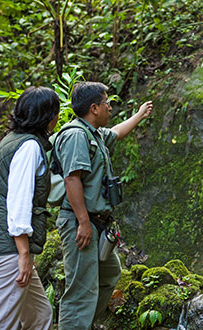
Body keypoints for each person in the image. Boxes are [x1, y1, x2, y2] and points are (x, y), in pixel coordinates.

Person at [54, 81, 152, 329]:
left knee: (109, 275)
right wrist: (84, 223)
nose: (110, 107)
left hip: (98, 224)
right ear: (94, 108)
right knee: (80, 292)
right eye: (107, 103)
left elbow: (117, 132)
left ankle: (83, 325)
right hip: (81, 223)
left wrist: (139, 115)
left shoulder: (94, 133)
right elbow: (71, 178)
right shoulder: (76, 135)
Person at [0, 86, 60, 330]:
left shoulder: (10, 141)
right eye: (56, 112)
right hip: (10, 249)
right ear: (47, 117)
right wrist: (23, 253)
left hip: (7, 246)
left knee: (39, 315)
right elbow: (18, 202)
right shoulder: (29, 147)